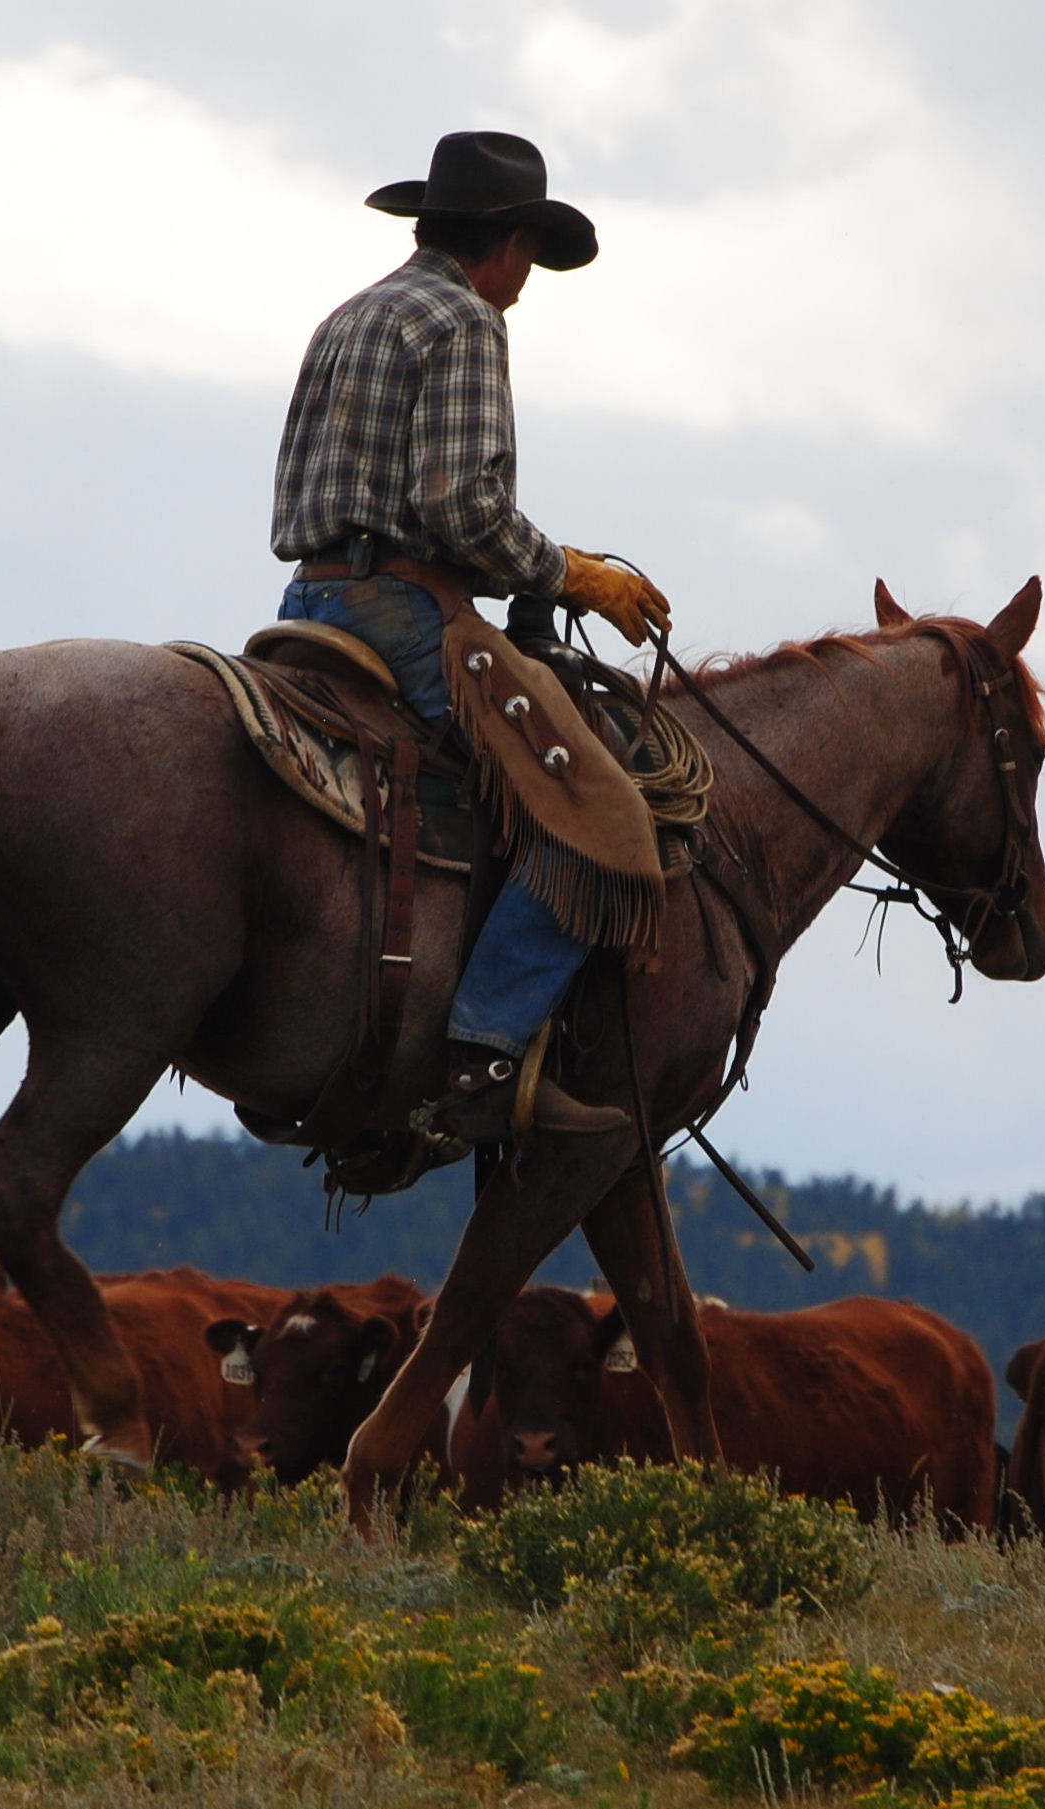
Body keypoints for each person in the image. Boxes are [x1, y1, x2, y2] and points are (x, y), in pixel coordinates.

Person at [272, 131, 671, 1143]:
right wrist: (570, 573)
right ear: (501, 240)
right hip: (404, 614)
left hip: (304, 605)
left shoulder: (350, 314)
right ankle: (483, 1054)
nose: (528, 273)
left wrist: (531, 564)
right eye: (530, 248)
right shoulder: (465, 320)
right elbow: (456, 507)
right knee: (597, 814)